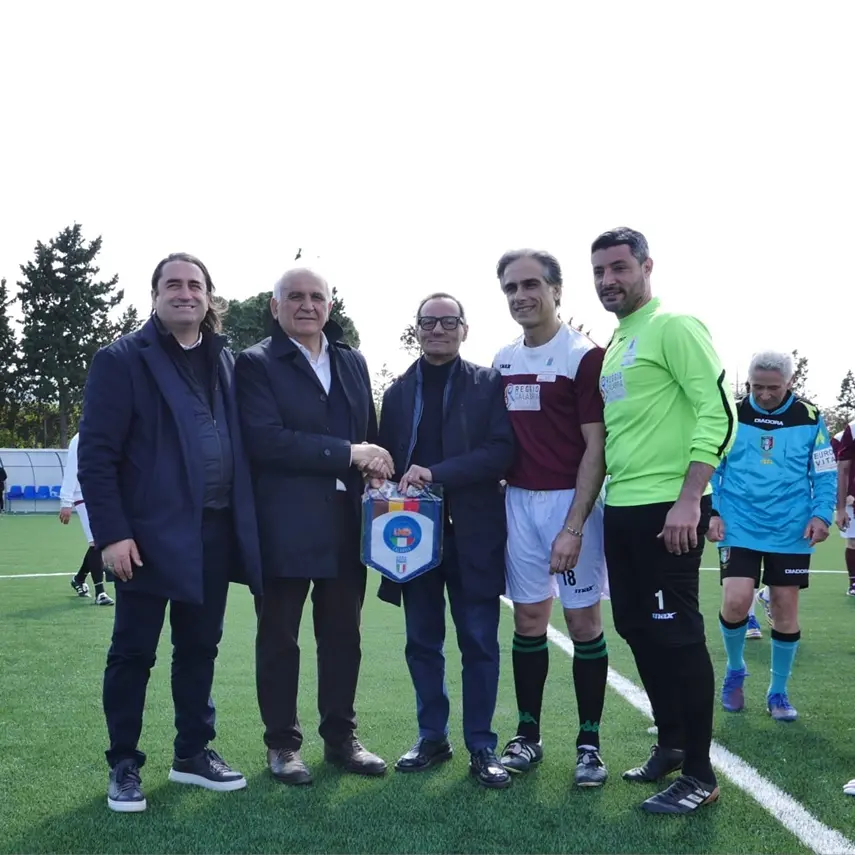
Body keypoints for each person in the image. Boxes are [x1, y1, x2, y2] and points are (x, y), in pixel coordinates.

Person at [78, 252, 263, 813]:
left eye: (195, 285)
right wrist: (112, 535)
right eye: (173, 285)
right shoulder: (121, 359)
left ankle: (192, 753)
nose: (185, 293)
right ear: (154, 295)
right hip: (147, 538)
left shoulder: (228, 360)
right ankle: (124, 764)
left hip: (213, 532)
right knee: (134, 652)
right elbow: (97, 456)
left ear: (209, 298)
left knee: (199, 648)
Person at [592, 226, 736, 814]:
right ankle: (672, 744)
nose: (608, 281)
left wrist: (689, 497)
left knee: (676, 636)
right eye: (599, 272)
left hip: (667, 509)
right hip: (621, 508)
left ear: (647, 266)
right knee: (635, 625)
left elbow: (718, 411)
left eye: (619, 268)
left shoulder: (675, 326)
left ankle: (700, 775)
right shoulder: (616, 341)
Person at [235, 267, 390, 787]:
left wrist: (373, 470)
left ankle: (341, 738)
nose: (306, 305)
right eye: (294, 297)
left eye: (316, 297)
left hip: (346, 527)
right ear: (275, 307)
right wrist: (349, 453)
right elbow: (266, 441)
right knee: (279, 638)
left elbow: (368, 433)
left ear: (329, 305)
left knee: (344, 637)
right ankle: (282, 745)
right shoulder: (255, 363)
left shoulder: (352, 361)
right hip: (284, 525)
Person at [375, 293, 515, 788]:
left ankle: (482, 744)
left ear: (464, 328)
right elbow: (386, 462)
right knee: (422, 642)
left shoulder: (489, 383)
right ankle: (432, 735)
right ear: (416, 329)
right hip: (413, 540)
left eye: (447, 321)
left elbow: (500, 453)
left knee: (479, 642)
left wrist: (437, 473)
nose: (437, 329)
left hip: (474, 535)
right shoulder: (395, 393)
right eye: (427, 322)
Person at [493, 249, 610, 788]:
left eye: (531, 285)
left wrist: (574, 524)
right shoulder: (502, 360)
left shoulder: (584, 356)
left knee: (584, 623)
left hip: (571, 504)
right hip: (518, 502)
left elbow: (596, 447)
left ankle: (589, 744)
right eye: (511, 287)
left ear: (557, 290)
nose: (521, 296)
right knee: (528, 621)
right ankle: (528, 735)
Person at [708, 351, 835, 722]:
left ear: (789, 384)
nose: (763, 395)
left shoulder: (811, 419)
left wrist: (821, 515)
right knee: (736, 600)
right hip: (739, 523)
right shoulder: (731, 414)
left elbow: (824, 473)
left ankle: (778, 691)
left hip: (790, 527)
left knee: (783, 607)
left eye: (772, 388)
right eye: (756, 387)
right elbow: (713, 464)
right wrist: (713, 510)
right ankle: (735, 670)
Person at [60, 431, 114, 605]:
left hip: (103, 495)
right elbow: (71, 470)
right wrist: (66, 501)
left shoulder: (108, 435)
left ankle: (79, 578)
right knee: (96, 542)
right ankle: (100, 593)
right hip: (83, 494)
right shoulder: (80, 438)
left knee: (98, 541)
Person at [833, 423, 855, 595]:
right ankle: (854, 583)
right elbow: (837, 468)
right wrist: (843, 496)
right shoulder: (845, 434)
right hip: (851, 498)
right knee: (853, 541)